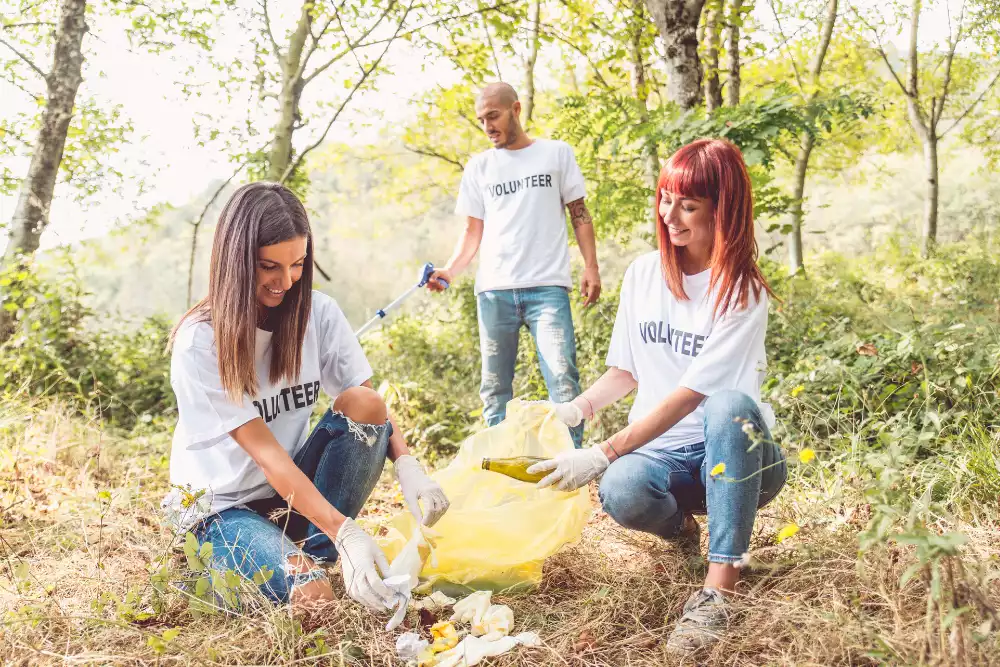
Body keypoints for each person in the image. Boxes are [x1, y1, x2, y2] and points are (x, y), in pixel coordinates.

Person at [529, 139, 787, 652]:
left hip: (738, 457)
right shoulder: (645, 274)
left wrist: (602, 451)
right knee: (622, 488)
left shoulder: (741, 290)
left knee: (731, 405)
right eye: (666, 198)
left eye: (688, 205)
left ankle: (720, 589)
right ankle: (680, 532)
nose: (670, 214)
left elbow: (692, 395)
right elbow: (626, 371)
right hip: (666, 458)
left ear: (723, 209)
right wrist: (577, 408)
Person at [163, 182, 449, 611]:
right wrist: (345, 531)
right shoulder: (200, 342)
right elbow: (266, 455)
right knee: (314, 598)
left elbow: (370, 406)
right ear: (235, 261)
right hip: (223, 509)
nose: (286, 281)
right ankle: (269, 562)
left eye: (297, 264)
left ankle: (308, 551)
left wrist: (408, 466)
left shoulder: (319, 314)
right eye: (268, 266)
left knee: (364, 405)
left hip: (291, 497)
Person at [426, 82, 601, 448]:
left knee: (564, 379)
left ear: (516, 109)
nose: (487, 126)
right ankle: (497, 472)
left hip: (548, 288)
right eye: (481, 119)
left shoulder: (557, 154)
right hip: (494, 292)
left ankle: (571, 464)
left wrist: (591, 267)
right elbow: (472, 231)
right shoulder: (479, 168)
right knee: (494, 388)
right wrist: (450, 270)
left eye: (494, 115)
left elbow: (580, 215)